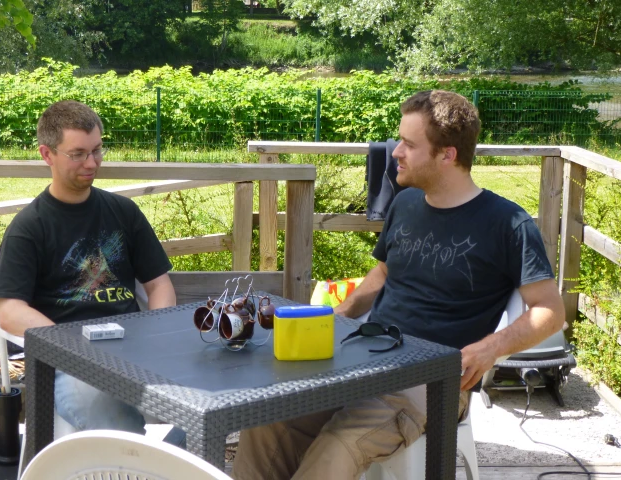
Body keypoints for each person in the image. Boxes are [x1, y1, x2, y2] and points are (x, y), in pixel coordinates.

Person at [232, 90, 566, 479]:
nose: (395, 153)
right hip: (365, 358)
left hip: (432, 381)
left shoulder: (508, 224)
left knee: (339, 445)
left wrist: (490, 349)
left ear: (447, 155)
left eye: (408, 144)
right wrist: (338, 315)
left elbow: (550, 311)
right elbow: (384, 274)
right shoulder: (405, 204)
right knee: (268, 420)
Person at [0, 100, 181, 442]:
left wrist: (158, 338)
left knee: (208, 401)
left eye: (97, 150)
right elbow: (10, 312)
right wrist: (74, 349)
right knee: (97, 405)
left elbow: (158, 285)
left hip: (134, 350)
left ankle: (154, 463)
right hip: (68, 365)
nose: (92, 163)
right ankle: (146, 463)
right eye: (78, 154)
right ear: (47, 155)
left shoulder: (124, 212)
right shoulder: (29, 227)